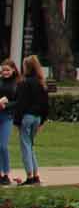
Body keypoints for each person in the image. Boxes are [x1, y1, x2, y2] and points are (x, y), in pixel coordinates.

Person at [13, 56, 48, 185]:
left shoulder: (24, 83)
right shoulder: (41, 83)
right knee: (31, 145)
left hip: (27, 116)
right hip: (37, 117)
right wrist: (43, 120)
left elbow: (21, 103)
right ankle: (35, 175)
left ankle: (29, 176)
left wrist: (17, 121)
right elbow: (45, 104)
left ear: (26, 67)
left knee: (25, 146)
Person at [0, 59, 15, 184]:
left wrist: (7, 104)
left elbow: (20, 101)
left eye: (7, 70)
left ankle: (6, 174)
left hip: (7, 116)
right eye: (3, 70)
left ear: (13, 70)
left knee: (3, 146)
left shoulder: (17, 84)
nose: (5, 72)